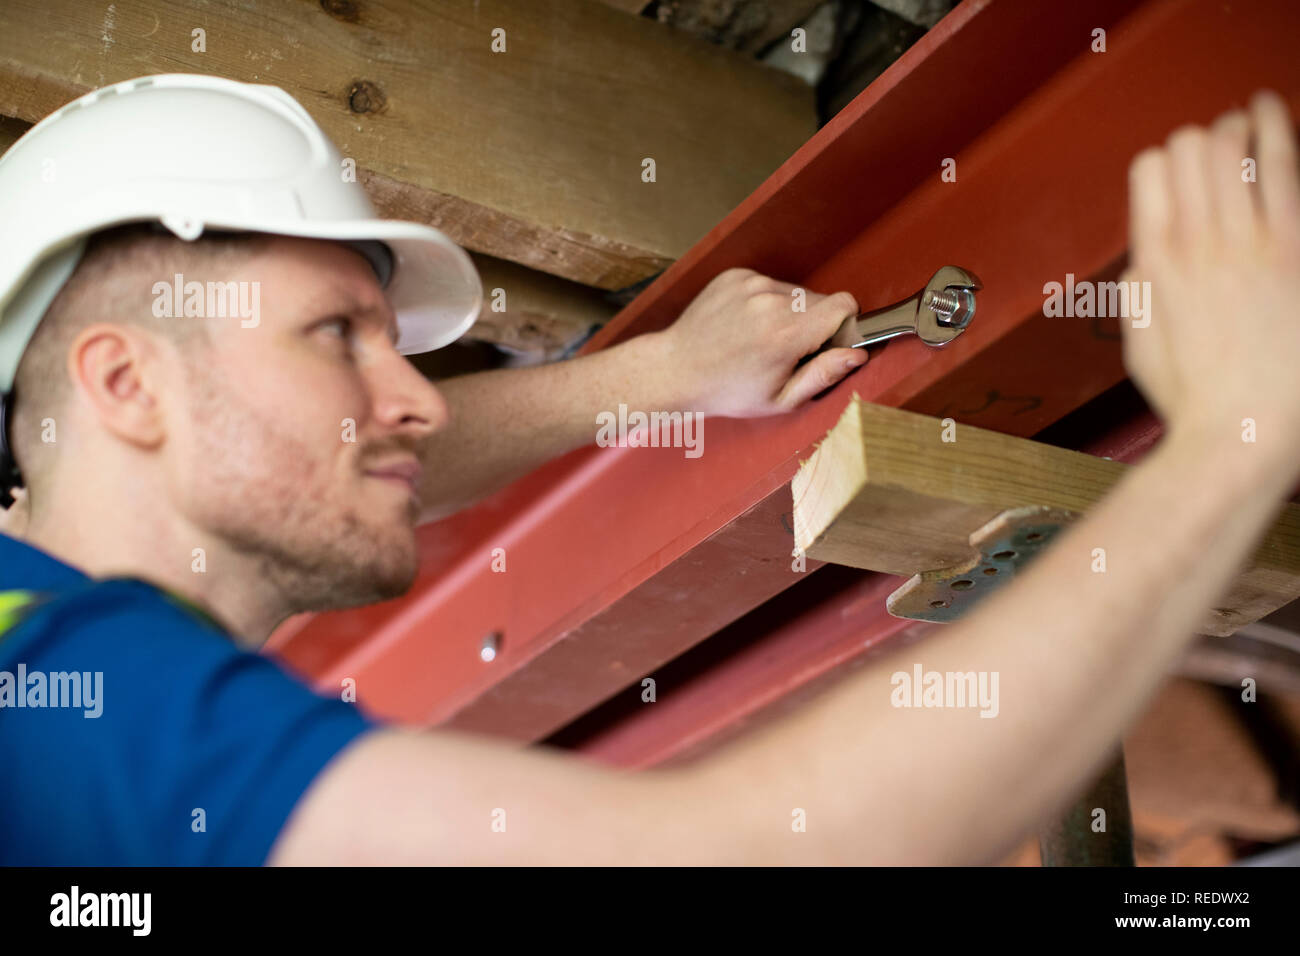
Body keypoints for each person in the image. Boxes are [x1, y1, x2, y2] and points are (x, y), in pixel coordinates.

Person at [0, 73, 1296, 865]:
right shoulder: (71, 702)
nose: (412, 401)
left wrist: (657, 382)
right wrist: (1233, 443)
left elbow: (334, 447)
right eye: (334, 336)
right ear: (125, 386)